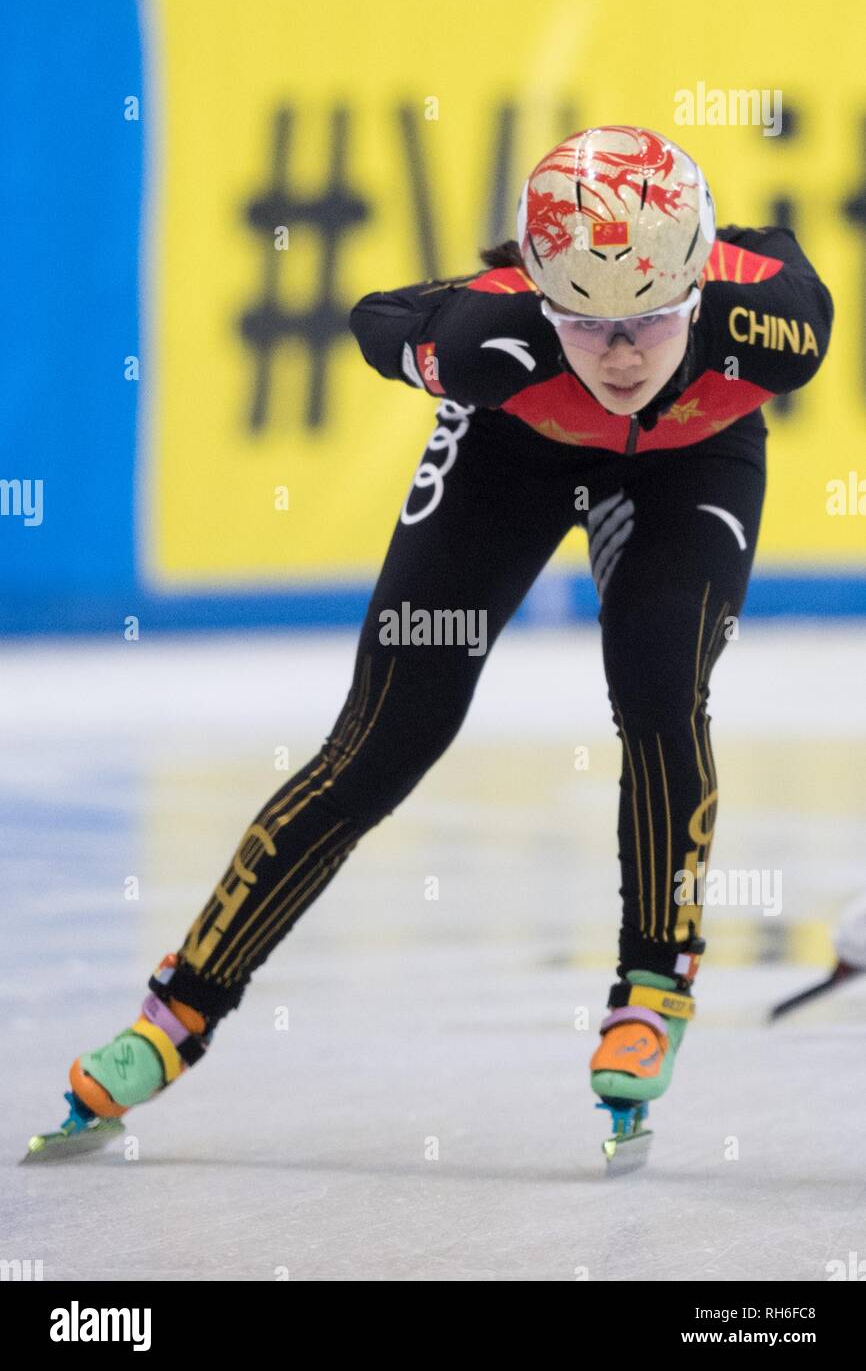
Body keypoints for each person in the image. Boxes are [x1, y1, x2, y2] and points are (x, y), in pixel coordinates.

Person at [60, 125, 834, 1143]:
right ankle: (180, 1005)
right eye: (580, 322)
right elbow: (371, 317)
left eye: (646, 323)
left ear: (693, 294)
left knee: (658, 680)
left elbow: (762, 246)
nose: (614, 355)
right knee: (382, 740)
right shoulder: (486, 340)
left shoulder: (777, 324)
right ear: (539, 298)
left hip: (691, 462)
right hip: (506, 453)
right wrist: (460, 342)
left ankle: (651, 991)